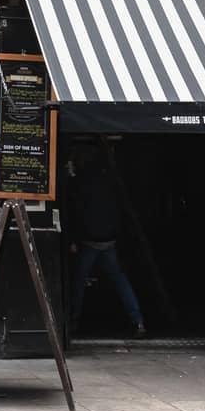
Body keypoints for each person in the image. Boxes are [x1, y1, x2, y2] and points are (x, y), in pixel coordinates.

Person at [65, 141, 146, 338]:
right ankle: (138, 320)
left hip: (89, 239)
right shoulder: (109, 180)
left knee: (79, 281)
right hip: (109, 238)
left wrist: (73, 238)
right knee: (119, 278)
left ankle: (72, 322)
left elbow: (76, 212)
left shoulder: (80, 182)